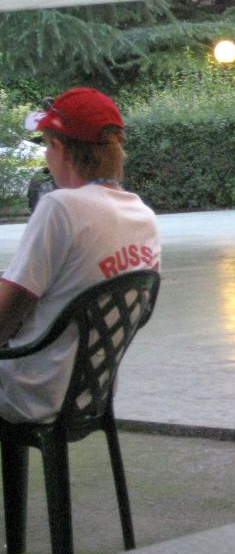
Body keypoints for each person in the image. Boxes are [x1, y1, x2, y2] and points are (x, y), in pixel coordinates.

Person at [0, 88, 161, 424]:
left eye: (47, 146)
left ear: (59, 148)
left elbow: (7, 312)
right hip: (92, 392)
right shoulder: (143, 216)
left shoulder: (61, 207)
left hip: (33, 394)